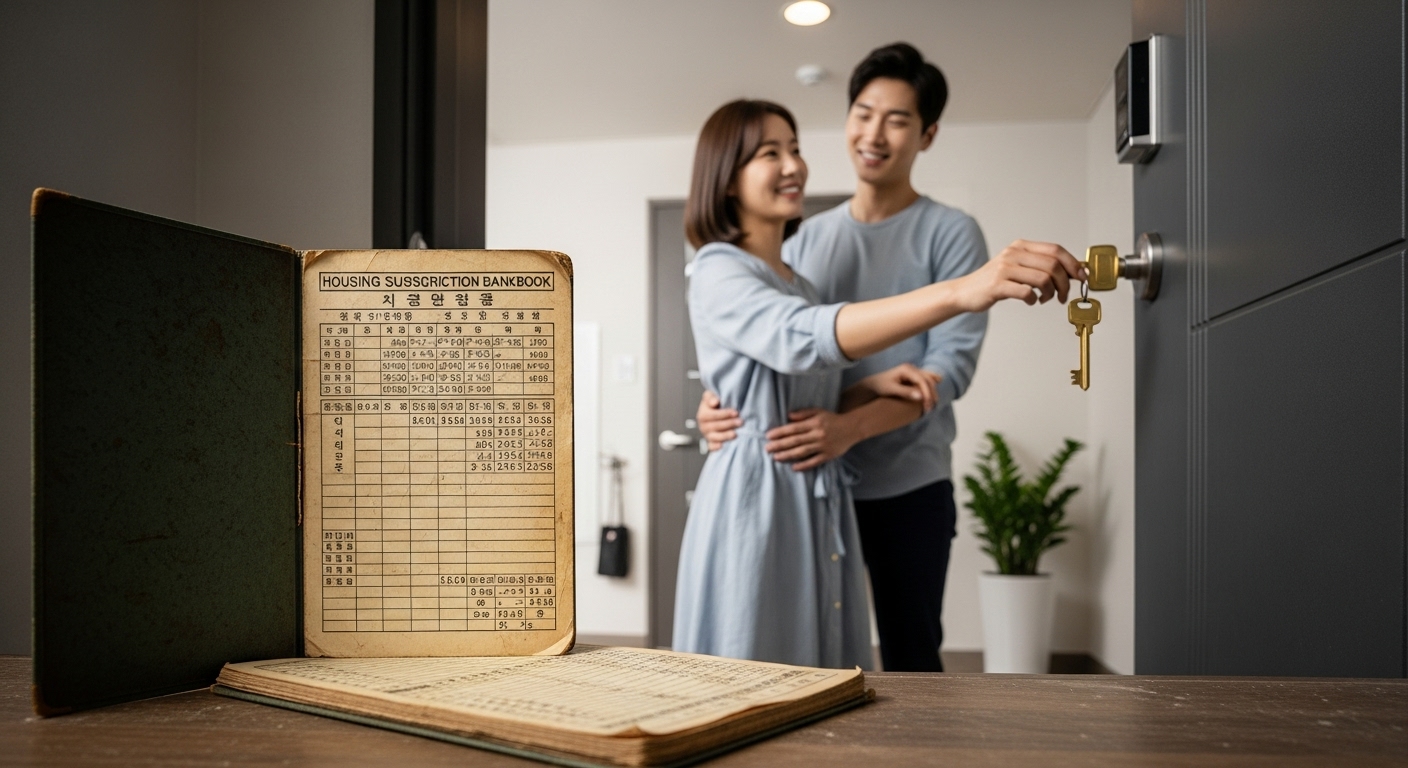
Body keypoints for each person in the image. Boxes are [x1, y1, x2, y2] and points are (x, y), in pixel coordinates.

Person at [673, 98, 1082, 669]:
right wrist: (961, 291)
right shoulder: (719, 266)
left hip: (831, 488)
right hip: (762, 492)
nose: (793, 165)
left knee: (837, 664)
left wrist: (864, 389)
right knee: (755, 663)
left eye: (795, 148)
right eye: (770, 153)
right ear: (726, 178)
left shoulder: (801, 278)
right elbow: (797, 337)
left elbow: (810, 375)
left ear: (926, 133)